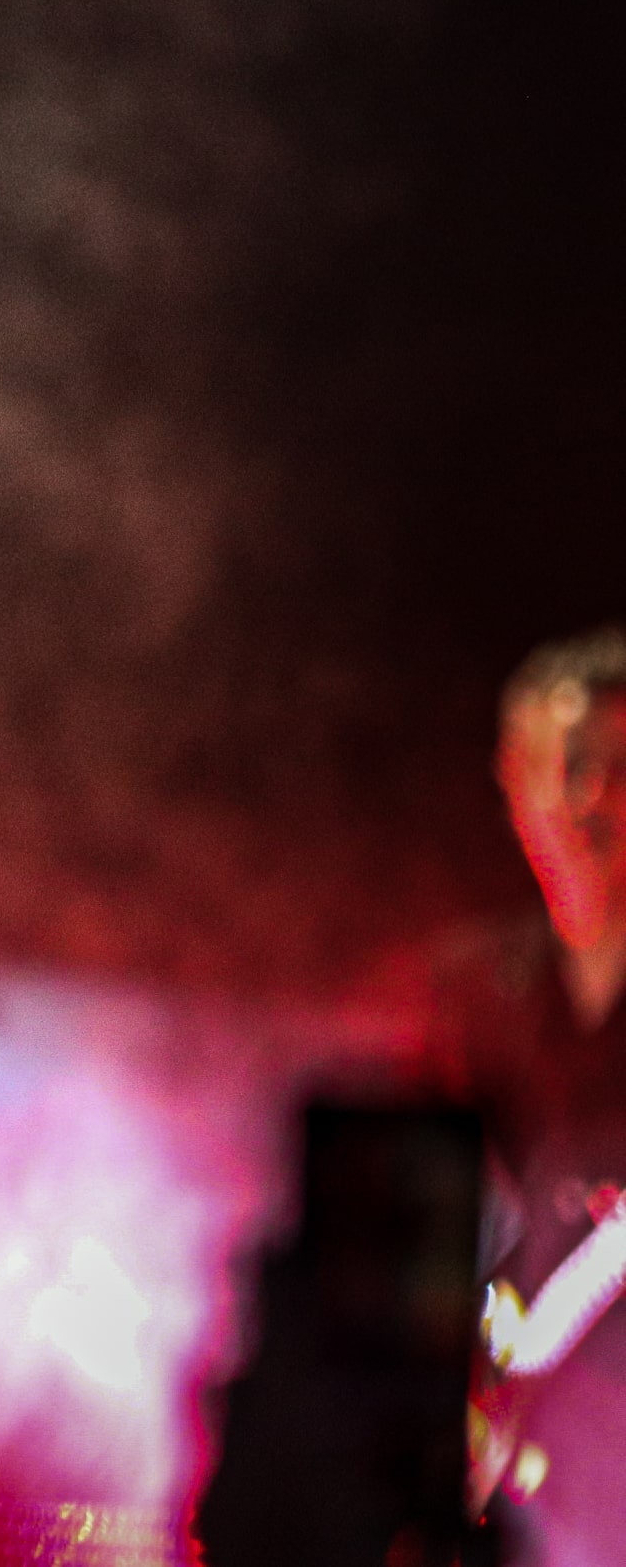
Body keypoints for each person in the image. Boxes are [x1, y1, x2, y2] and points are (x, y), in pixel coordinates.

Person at [466, 629, 626, 1543]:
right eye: (570, 764)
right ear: (513, 775)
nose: (595, 797)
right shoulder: (460, 994)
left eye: (621, 768)